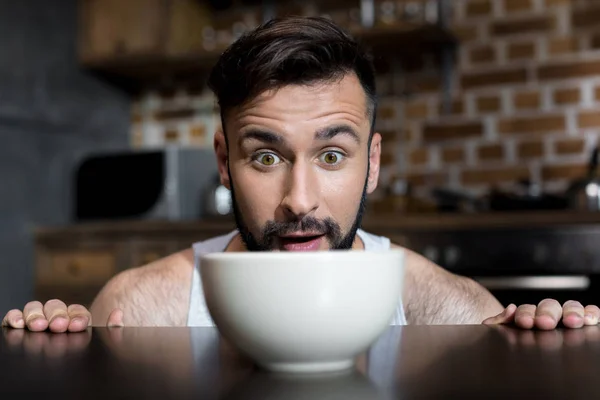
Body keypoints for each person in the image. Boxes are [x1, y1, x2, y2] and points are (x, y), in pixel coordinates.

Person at [3, 16, 598, 333]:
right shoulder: (142, 308)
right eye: (266, 157)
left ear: (374, 164)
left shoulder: (448, 312)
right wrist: (57, 353)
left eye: (332, 155)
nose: (299, 200)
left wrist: (551, 345)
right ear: (224, 164)